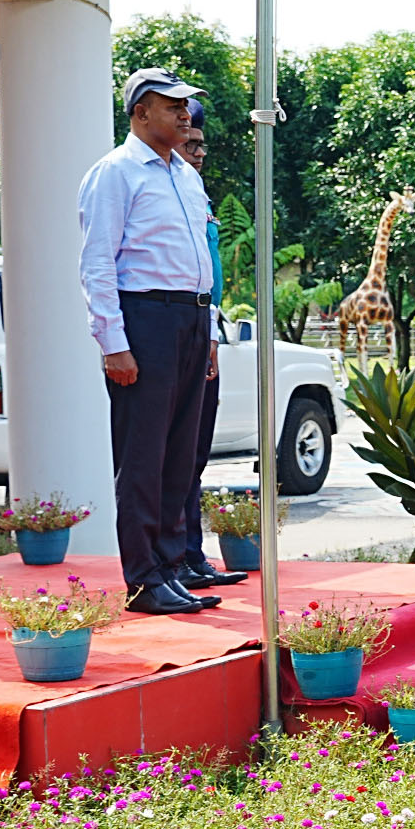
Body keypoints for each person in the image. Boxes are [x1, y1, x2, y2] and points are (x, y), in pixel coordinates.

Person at [79, 68, 223, 617]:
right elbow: (97, 262)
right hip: (146, 318)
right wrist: (113, 342)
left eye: (187, 106)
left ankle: (171, 568)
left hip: (190, 318)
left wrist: (207, 330)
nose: (185, 115)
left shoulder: (185, 175)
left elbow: (199, 261)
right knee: (143, 457)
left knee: (179, 457)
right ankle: (143, 578)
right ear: (141, 113)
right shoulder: (115, 173)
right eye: (172, 106)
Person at [174, 101, 242, 589]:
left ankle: (191, 555)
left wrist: (213, 335)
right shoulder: (161, 192)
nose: (199, 153)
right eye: (190, 144)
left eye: (201, 145)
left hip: (204, 328)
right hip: (171, 329)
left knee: (195, 453)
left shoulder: (197, 195)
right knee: (172, 456)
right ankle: (171, 560)